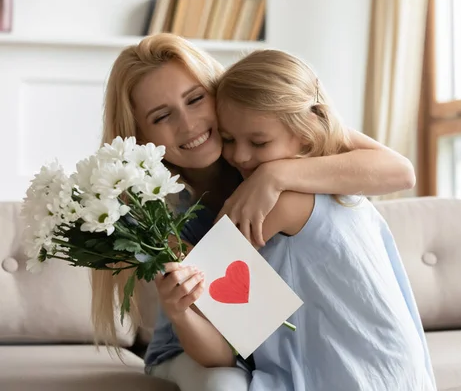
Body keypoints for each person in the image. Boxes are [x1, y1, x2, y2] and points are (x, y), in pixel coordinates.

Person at [92, 33, 418, 391]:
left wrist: (276, 175)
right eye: (162, 116)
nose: (188, 125)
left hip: (259, 337)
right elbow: (226, 335)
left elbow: (400, 171)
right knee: (225, 381)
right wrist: (179, 309)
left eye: (196, 99)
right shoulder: (151, 210)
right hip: (203, 341)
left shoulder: (268, 129)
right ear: (140, 137)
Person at [215, 49, 437, 390]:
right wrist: (275, 170)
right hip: (396, 369)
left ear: (305, 131)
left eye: (258, 142)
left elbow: (208, 270)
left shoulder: (283, 202)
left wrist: (274, 174)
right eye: (228, 139)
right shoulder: (344, 176)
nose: (239, 155)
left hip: (351, 374)